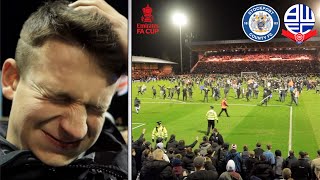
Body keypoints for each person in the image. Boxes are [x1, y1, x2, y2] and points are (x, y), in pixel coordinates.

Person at [0, 0, 128, 179]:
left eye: (96, 109)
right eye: (58, 98)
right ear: (12, 79)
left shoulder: (121, 166)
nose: (77, 130)